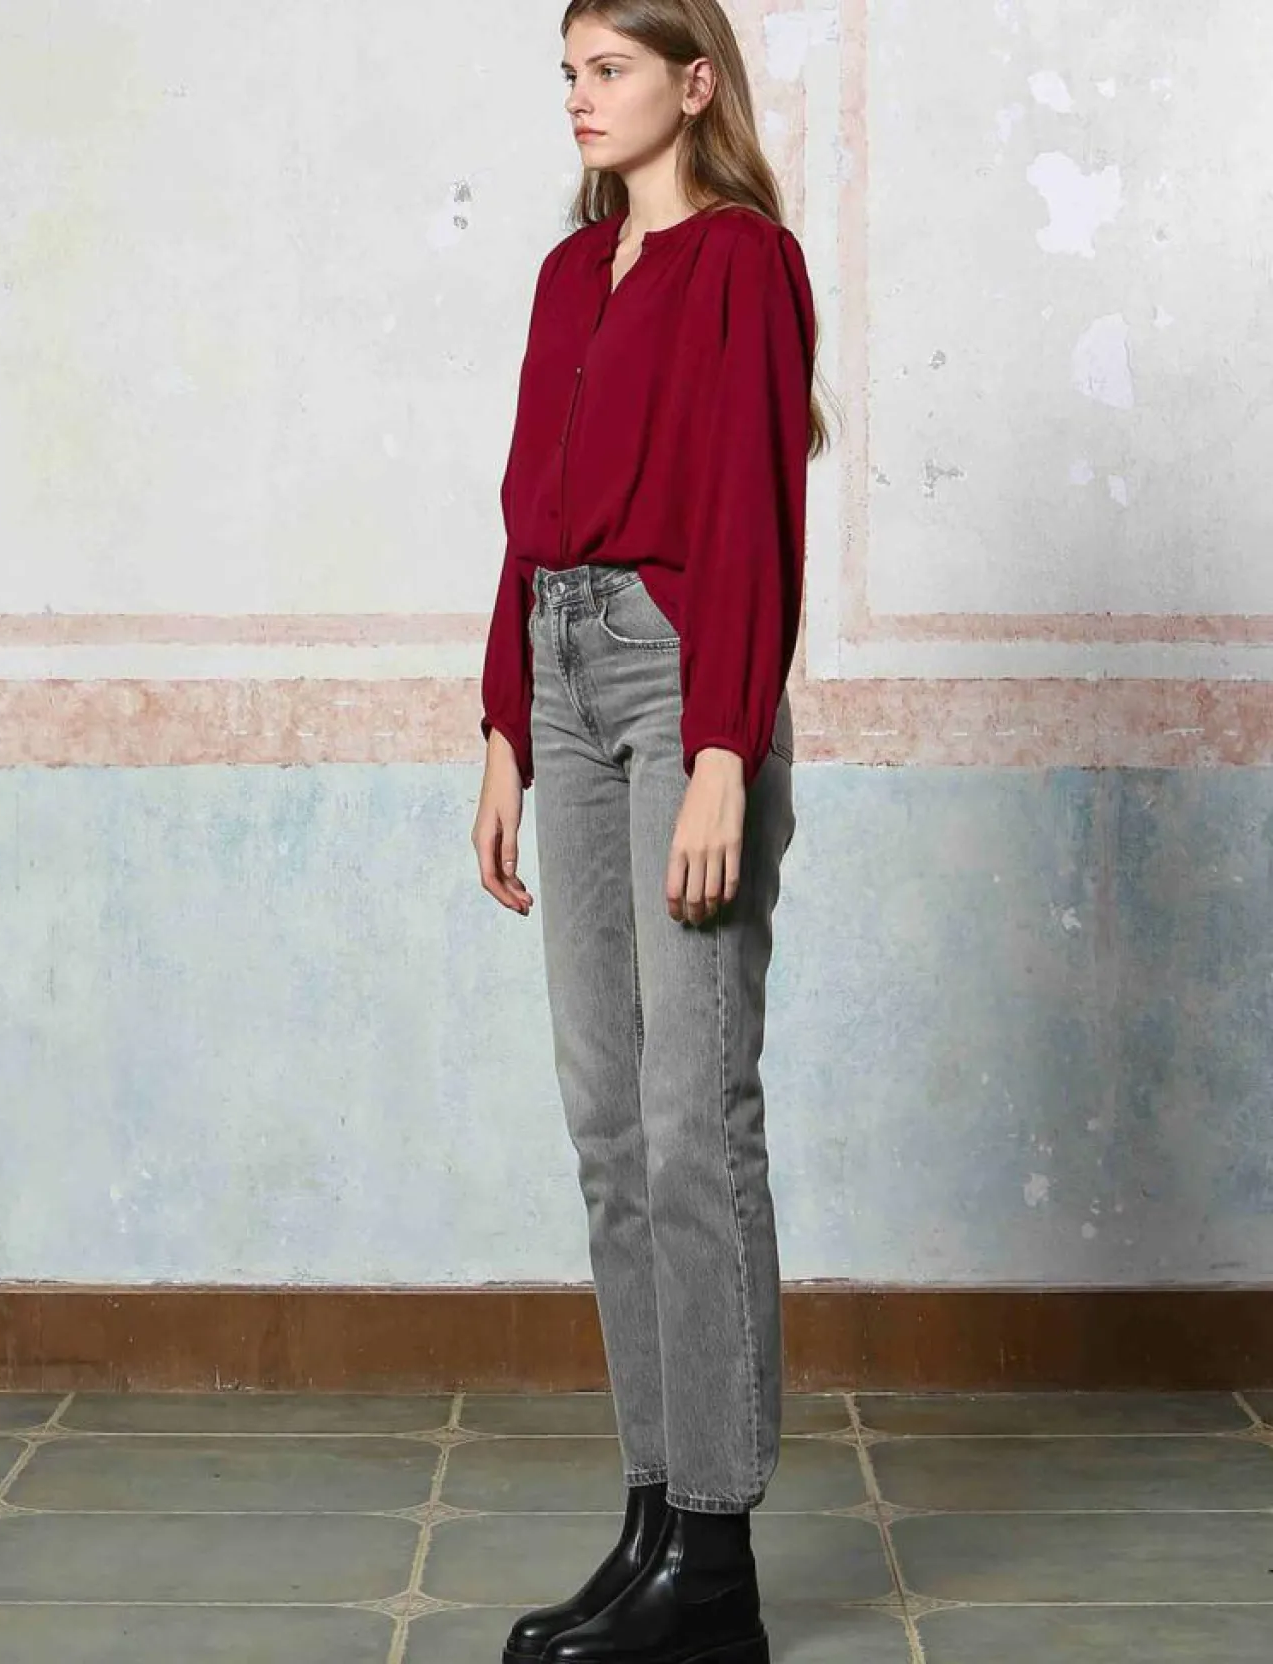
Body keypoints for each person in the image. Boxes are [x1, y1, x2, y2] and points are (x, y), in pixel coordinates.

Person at [471, 3, 829, 1660]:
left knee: (694, 1122)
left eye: (607, 68)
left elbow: (753, 507)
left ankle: (718, 1556)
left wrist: (724, 750)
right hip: (559, 670)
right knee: (608, 1128)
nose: (580, 98)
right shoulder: (568, 274)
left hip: (681, 673)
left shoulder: (744, 262)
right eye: (568, 72)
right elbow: (525, 509)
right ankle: (651, 1517)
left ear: (694, 83)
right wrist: (501, 728)